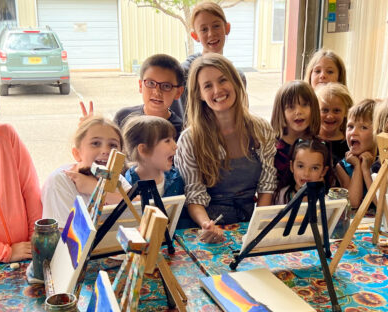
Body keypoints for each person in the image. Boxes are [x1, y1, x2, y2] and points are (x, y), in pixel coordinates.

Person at [175, 53, 277, 244]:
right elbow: (194, 195)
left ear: (235, 81)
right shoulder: (190, 139)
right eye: (208, 86)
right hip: (209, 224)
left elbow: (267, 185)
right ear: (199, 94)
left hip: (251, 221)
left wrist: (258, 225)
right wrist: (207, 225)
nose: (218, 90)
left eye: (223, 80)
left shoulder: (261, 129)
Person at [41, 115, 131, 229]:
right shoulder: (60, 181)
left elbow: (141, 209)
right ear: (77, 153)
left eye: (113, 145)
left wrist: (95, 189)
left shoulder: (114, 177)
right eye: (95, 143)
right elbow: (65, 240)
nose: (105, 151)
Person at [0, 80, 42, 263]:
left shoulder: (6, 135)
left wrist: (36, 236)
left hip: (26, 250)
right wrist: (5, 253)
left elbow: (31, 189)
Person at [171, 1, 247, 117]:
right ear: (195, 36)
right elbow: (179, 119)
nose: (211, 34)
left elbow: (242, 116)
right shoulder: (185, 73)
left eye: (216, 26)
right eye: (204, 29)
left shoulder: (238, 76)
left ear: (227, 28)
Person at [114, 54, 185, 138]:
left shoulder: (181, 132)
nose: (157, 92)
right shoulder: (123, 118)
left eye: (166, 86)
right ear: (140, 86)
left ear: (178, 93)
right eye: (150, 83)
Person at [271, 81, 320, 186]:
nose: (298, 111)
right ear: (281, 111)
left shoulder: (319, 145)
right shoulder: (272, 148)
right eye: (291, 107)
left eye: (305, 105)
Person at [122, 115, 184, 197]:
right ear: (143, 149)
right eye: (167, 141)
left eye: (173, 139)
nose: (175, 146)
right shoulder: (127, 185)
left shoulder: (176, 178)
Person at [336, 99, 377, 208]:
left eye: (363, 127)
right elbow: (353, 203)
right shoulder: (342, 166)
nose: (353, 132)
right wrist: (358, 167)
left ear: (377, 132)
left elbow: (381, 203)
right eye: (350, 126)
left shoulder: (382, 163)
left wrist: (366, 171)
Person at [273, 138, 330, 204]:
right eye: (300, 166)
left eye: (314, 168)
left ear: (323, 171)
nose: (306, 174)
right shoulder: (280, 196)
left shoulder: (328, 201)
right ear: (292, 166)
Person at [315, 82, 353, 166]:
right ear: (316, 111)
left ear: (346, 112)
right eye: (324, 110)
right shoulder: (309, 139)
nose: (330, 116)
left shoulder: (350, 143)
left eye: (336, 111)